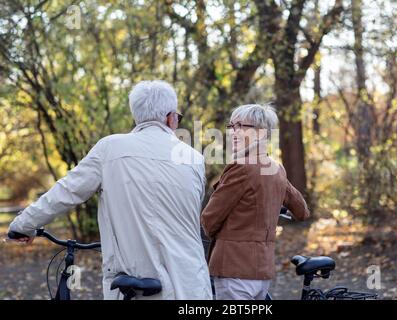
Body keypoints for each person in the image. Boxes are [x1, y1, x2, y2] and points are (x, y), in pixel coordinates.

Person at [8, 80, 212, 300]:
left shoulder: (110, 148)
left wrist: (23, 225)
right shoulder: (195, 158)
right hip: (192, 285)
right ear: (171, 118)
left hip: (135, 284)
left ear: (137, 116)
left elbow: (66, 192)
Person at [201, 104, 310, 300]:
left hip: (233, 269)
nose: (233, 132)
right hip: (262, 272)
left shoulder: (241, 167)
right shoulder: (277, 169)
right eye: (231, 126)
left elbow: (209, 220)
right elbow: (302, 211)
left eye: (241, 126)